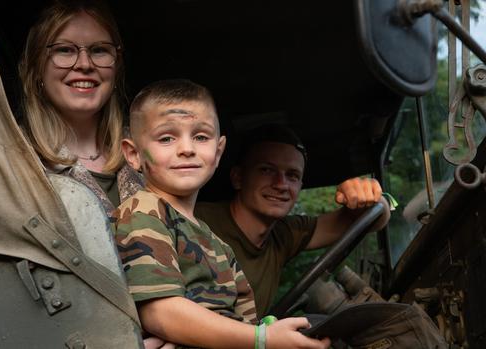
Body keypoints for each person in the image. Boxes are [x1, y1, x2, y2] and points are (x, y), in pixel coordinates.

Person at [115, 79, 331, 349]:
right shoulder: (143, 213)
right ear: (133, 154)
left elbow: (244, 324)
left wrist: (268, 331)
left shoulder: (215, 242)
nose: (187, 148)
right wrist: (262, 339)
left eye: (201, 137)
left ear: (218, 152)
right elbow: (161, 313)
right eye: (167, 137)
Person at [195, 124, 391, 317]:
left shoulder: (284, 234)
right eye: (266, 170)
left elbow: (370, 221)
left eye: (292, 175)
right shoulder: (194, 222)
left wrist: (373, 197)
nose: (281, 184)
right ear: (238, 177)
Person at [19, 0, 142, 211]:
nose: (84, 64)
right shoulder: (15, 156)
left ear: (116, 67)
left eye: (99, 50)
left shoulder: (149, 147)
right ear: (37, 66)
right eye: (65, 50)